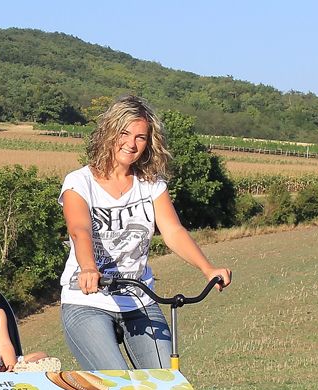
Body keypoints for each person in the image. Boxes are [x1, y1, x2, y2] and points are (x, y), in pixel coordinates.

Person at [59, 95, 232, 370]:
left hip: (139, 299)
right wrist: (89, 268)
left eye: (140, 137)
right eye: (124, 133)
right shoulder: (79, 182)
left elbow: (173, 231)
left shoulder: (151, 184)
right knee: (116, 383)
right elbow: (79, 230)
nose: (131, 143)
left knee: (166, 383)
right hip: (88, 300)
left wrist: (208, 268)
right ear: (109, 133)